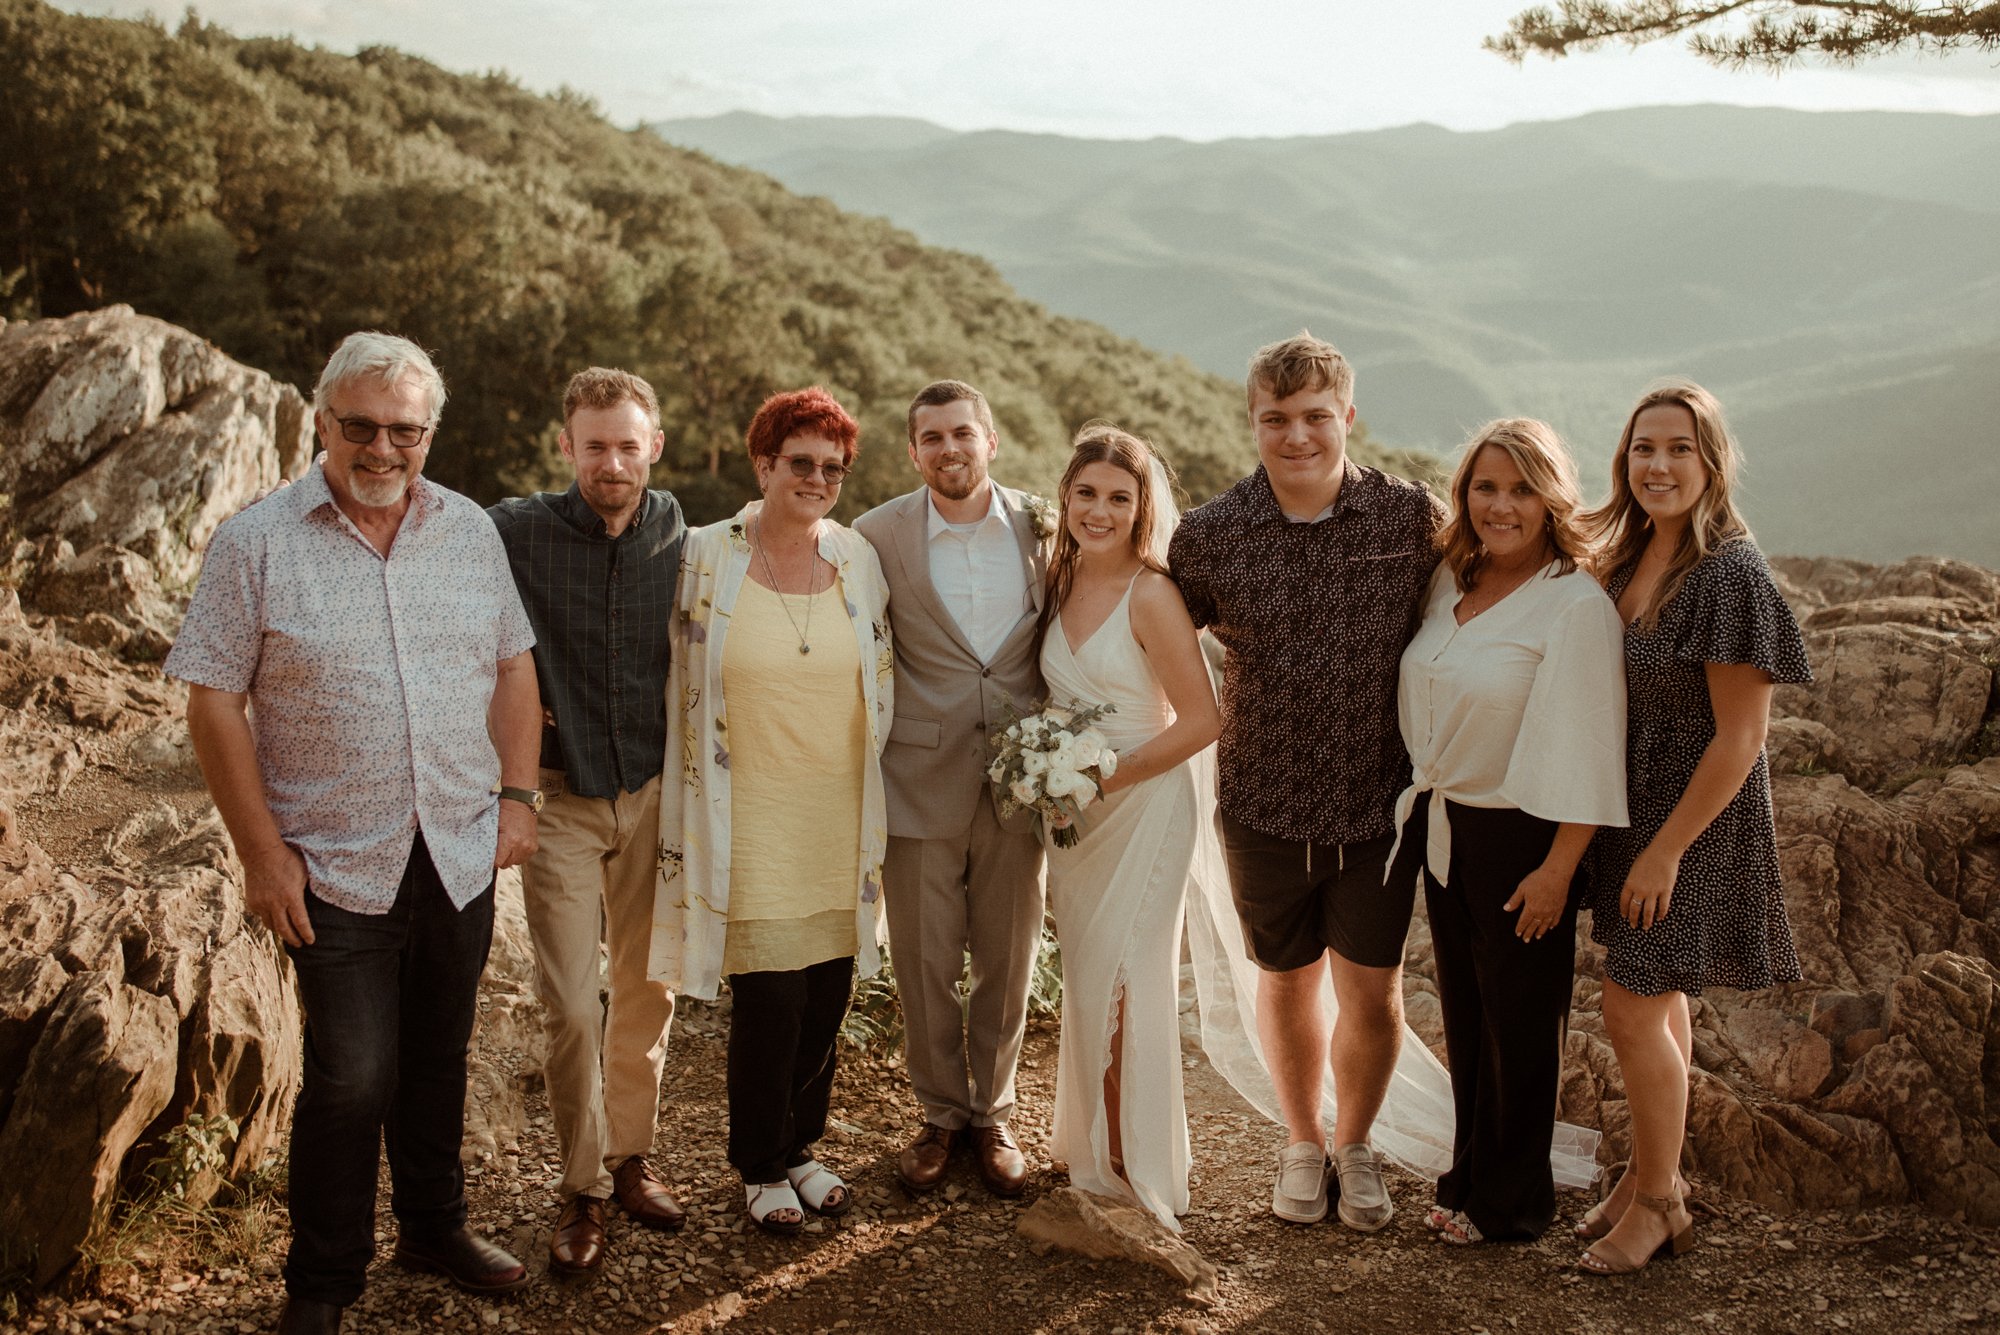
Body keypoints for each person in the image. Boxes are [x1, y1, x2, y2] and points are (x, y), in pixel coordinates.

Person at [168, 333, 539, 1335]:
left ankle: (432, 1226)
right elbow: (212, 705)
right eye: (363, 426)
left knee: (436, 1057)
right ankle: (322, 1285)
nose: (383, 448)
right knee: (351, 1077)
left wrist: (516, 798)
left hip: (457, 850)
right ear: (322, 421)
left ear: (428, 434)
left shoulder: (468, 532)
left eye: (405, 430)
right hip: (331, 861)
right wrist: (260, 854)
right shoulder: (257, 542)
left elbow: (512, 667)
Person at [1167, 331, 1450, 1230]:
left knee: (1372, 988)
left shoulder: (1411, 519)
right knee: (1286, 980)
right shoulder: (1209, 537)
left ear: (1349, 417)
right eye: (1276, 419)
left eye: (1316, 416)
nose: (1297, 436)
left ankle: (1356, 1144)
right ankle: (1301, 1139)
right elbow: (1147, 640)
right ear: (1252, 421)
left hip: (1381, 805)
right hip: (1261, 801)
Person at [1575, 380, 1811, 1275]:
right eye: (1644, 448)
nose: (1659, 465)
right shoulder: (1631, 555)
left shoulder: (1728, 573)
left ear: (1712, 460)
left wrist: (1666, 850)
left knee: (1631, 1006)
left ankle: (1664, 1204)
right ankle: (1647, 1177)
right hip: (1634, 806)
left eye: (1679, 448)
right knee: (1657, 997)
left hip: (1693, 821)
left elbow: (1743, 736)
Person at [649, 387, 893, 1234]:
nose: (818, 478)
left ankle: (801, 1147)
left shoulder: (857, 558)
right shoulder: (705, 554)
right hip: (743, 808)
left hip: (839, 811)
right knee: (772, 999)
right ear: (764, 464)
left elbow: (883, 673)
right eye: (802, 462)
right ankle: (757, 1161)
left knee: (828, 989)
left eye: (833, 467)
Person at [1391, 419, 1626, 1245]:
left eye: (1522, 488)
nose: (1502, 505)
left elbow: (1595, 746)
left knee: (1522, 1023)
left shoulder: (1574, 604)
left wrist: (1561, 867)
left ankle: (1514, 1203)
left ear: (1552, 498)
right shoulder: (1449, 583)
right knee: (1468, 1014)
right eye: (1486, 487)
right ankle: (1469, 1172)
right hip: (1444, 823)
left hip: (1524, 835)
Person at [487, 368, 688, 1274]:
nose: (613, 461)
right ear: (565, 446)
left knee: (648, 988)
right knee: (572, 1002)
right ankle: (581, 1188)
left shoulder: (682, 531)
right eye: (595, 444)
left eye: (628, 443)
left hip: (654, 791)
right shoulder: (511, 531)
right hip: (561, 799)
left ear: (655, 446)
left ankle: (630, 1156)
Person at [853, 380, 1049, 1198]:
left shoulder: (1050, 525)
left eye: (962, 433)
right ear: (913, 452)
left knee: (1009, 954)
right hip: (918, 775)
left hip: (1021, 780)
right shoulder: (874, 535)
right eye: (931, 438)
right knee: (925, 961)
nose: (949, 450)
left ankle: (993, 1110)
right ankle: (938, 1112)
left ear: (991, 440)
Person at [1036, 424, 1221, 1229]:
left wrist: (1112, 774)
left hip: (1142, 809)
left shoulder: (1153, 592)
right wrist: (1047, 768)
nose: (1100, 510)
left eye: (1119, 497)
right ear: (1066, 498)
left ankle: (1134, 1168)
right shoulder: (1059, 574)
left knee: (1128, 980)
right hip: (1074, 820)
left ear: (1143, 506)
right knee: (1088, 979)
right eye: (1087, 494)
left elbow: (1204, 718)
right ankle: (1094, 1149)